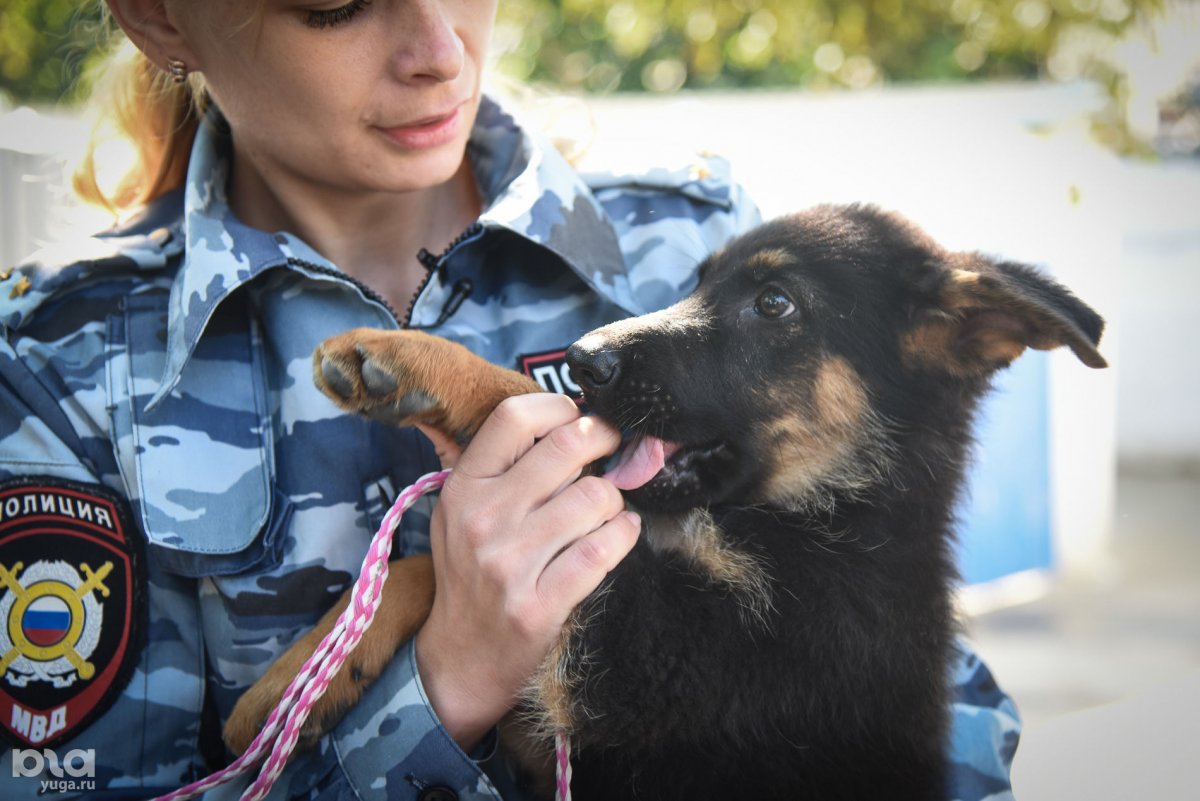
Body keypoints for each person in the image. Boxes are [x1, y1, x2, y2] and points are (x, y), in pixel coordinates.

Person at [0, 1, 1020, 799]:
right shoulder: (61, 368)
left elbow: (908, 663)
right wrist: (449, 678)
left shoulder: (688, 246)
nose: (440, 51)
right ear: (160, 15)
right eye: (336, 5)